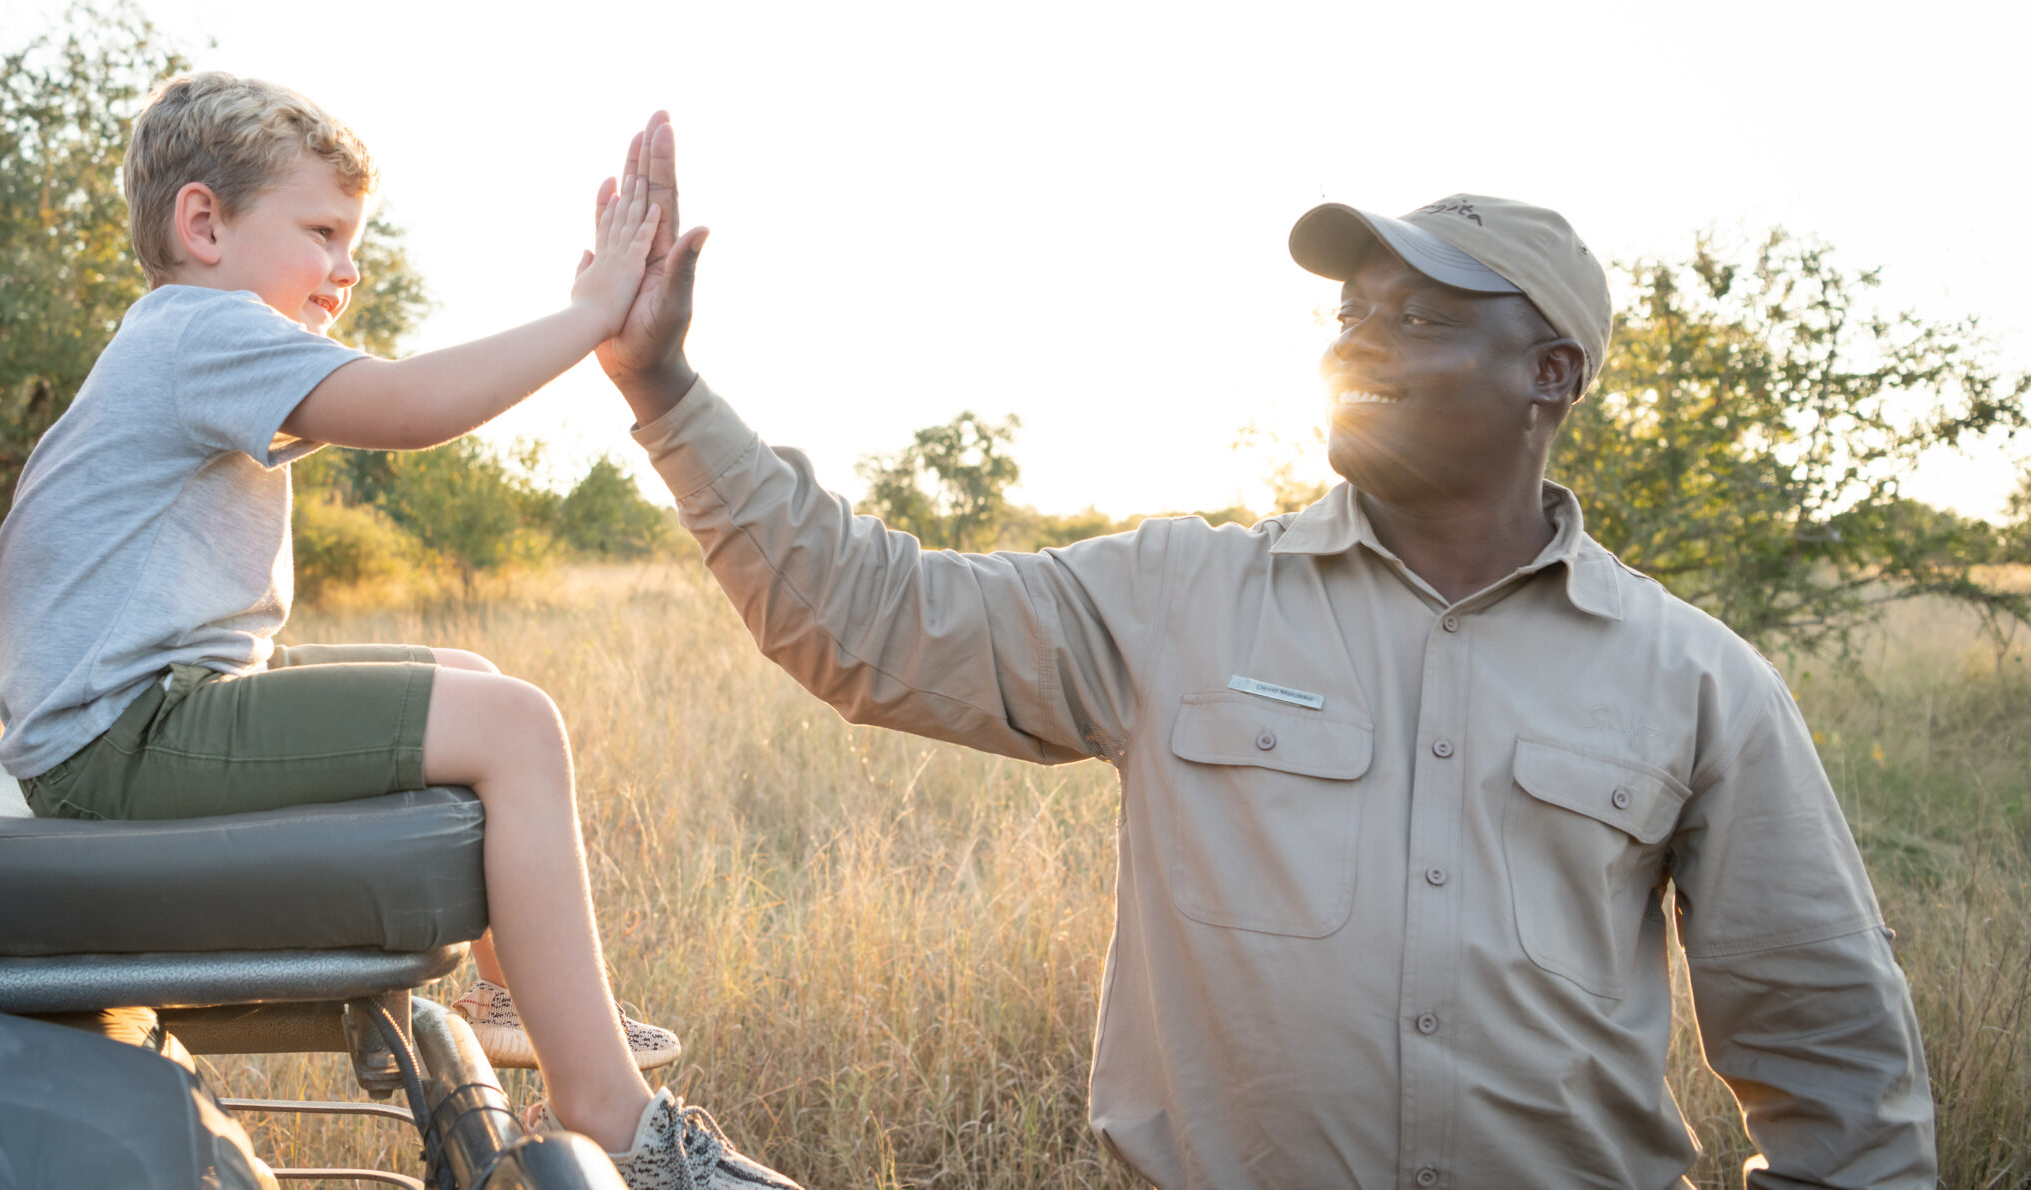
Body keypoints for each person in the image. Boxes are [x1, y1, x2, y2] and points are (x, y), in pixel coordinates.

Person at [595, 118, 1935, 1187]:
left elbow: (1831, 1053)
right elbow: (869, 623)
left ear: (1549, 373)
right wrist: (665, 390)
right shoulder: (1184, 594)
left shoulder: (1698, 680)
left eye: (1420, 318)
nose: (1359, 338)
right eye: (1351, 313)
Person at [0, 74, 795, 1188]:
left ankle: (514, 989)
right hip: (123, 736)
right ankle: (616, 1119)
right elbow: (411, 406)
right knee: (514, 724)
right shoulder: (203, 328)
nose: (348, 268)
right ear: (204, 223)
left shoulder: (184, 336)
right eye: (321, 231)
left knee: (467, 674)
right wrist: (591, 313)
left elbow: (396, 394)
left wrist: (583, 314)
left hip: (129, 716)